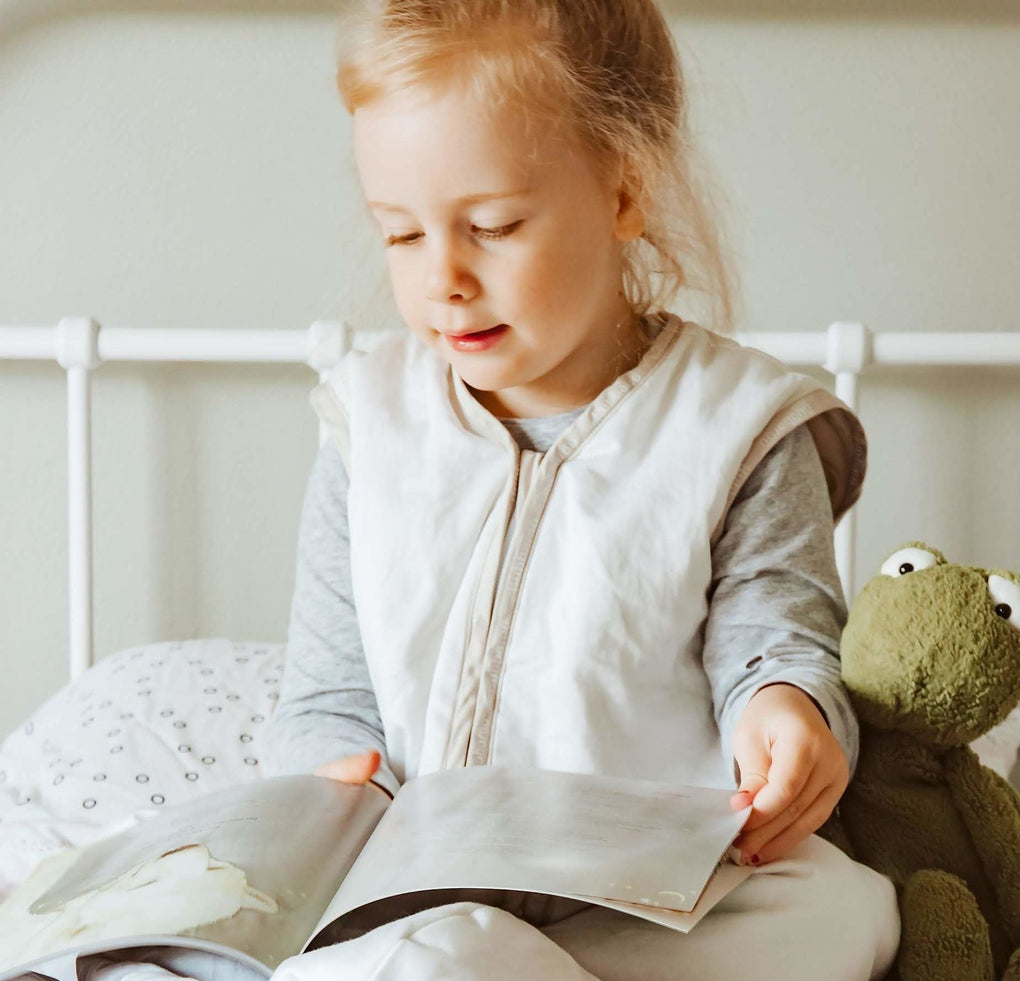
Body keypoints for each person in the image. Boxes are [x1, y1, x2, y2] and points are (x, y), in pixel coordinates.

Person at [263, 1, 901, 978]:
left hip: (660, 897)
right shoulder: (368, 427)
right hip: (425, 891)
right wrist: (327, 780)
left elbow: (777, 641)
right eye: (399, 236)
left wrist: (784, 710)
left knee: (844, 908)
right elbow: (330, 698)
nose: (444, 278)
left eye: (492, 225)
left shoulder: (739, 426)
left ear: (622, 190)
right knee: (427, 952)